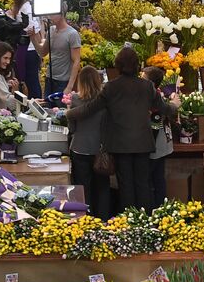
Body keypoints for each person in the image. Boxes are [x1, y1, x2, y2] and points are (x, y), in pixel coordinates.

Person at [64, 47, 180, 212]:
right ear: (137, 65)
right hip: (143, 143)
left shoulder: (111, 87)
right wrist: (175, 105)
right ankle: (144, 219)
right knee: (143, 183)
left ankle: (127, 220)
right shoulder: (147, 86)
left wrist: (69, 113)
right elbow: (164, 108)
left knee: (125, 184)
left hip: (120, 144)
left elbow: (90, 108)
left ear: (117, 65)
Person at [67, 65, 112, 218]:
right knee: (102, 187)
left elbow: (72, 128)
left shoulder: (75, 99)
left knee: (83, 189)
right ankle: (104, 219)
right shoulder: (105, 101)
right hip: (100, 150)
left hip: (80, 148)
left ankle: (85, 219)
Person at [0, 0, 35, 93]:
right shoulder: (22, 5)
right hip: (24, 47)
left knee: (27, 82)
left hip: (27, 49)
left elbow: (31, 30)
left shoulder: (26, 8)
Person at [33, 9, 82, 98]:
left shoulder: (72, 34)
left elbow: (76, 61)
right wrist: (32, 37)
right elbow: (43, 52)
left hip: (63, 81)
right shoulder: (51, 30)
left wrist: (69, 87)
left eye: (53, 13)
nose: (49, 16)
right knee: (48, 108)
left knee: (61, 110)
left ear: (61, 13)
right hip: (49, 78)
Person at [144, 66, 173, 208]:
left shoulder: (154, 97)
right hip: (161, 144)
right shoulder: (158, 94)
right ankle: (160, 208)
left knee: (152, 179)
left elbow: (154, 123)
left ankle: (154, 208)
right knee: (158, 178)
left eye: (143, 78)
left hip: (155, 144)